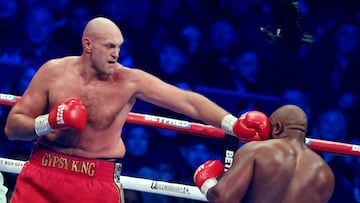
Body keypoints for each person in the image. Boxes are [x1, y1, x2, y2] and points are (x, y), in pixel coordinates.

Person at [4, 17, 271, 202]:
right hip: (43, 171)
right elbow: (12, 128)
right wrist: (49, 122)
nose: (116, 54)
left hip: (95, 180)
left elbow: (187, 101)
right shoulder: (53, 72)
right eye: (110, 46)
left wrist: (231, 124)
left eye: (119, 47)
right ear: (88, 45)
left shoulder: (128, 81)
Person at [194, 104, 335, 203]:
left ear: (277, 128)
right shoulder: (325, 173)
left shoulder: (256, 151)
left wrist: (207, 182)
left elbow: (223, 198)